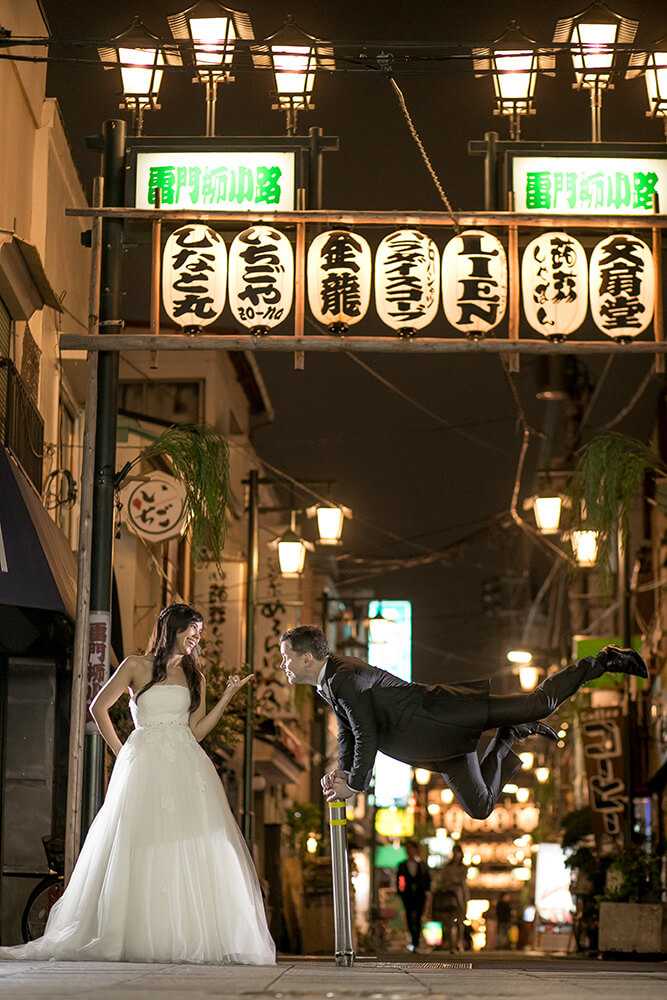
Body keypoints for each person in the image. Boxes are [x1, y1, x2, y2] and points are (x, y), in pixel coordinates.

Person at [0, 604, 276, 965]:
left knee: (189, 843)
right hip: (143, 760)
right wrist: (122, 750)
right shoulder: (135, 664)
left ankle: (179, 932)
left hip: (186, 763)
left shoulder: (197, 677)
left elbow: (195, 732)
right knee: (138, 839)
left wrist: (225, 697)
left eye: (200, 631)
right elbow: (98, 708)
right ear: (172, 628)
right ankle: (128, 931)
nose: (196, 636)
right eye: (191, 629)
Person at [278, 625, 647, 817]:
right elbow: (347, 734)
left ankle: (602, 661)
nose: (284, 665)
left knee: (540, 703)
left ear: (307, 658)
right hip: (437, 744)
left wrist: (355, 785)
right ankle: (509, 737)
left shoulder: (343, 677)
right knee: (480, 808)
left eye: (286, 658)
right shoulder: (329, 682)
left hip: (445, 716)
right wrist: (343, 772)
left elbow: (365, 733)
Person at [396, 839, 432, 952]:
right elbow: (399, 879)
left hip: (420, 894)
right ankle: (414, 940)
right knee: (410, 917)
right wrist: (401, 891)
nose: (409, 850)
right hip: (408, 895)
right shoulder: (402, 865)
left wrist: (427, 891)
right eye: (407, 848)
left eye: (410, 848)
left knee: (418, 916)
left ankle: (416, 940)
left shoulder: (421, 865)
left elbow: (427, 880)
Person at [432, 845, 469, 952]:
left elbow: (461, 879)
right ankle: (450, 943)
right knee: (448, 920)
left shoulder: (463, 867)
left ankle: (459, 942)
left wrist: (453, 880)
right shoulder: (448, 867)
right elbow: (444, 879)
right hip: (449, 894)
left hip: (460, 894)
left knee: (460, 920)